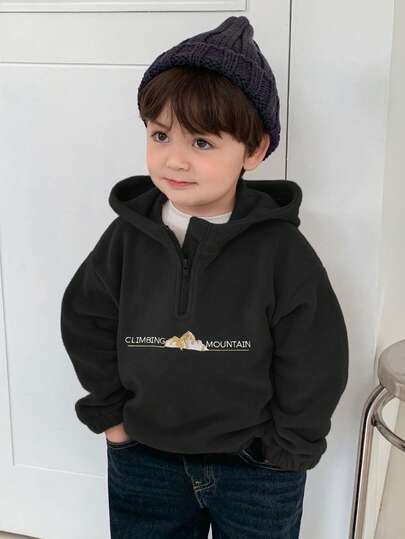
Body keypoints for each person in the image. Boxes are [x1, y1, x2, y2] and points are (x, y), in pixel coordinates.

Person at [60, 15, 349, 539]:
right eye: (160, 135)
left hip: (256, 469)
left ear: (254, 151)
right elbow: (87, 321)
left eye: (202, 143)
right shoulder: (126, 238)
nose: (175, 160)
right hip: (144, 460)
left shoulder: (282, 251)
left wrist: (289, 450)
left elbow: (315, 356)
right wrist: (112, 420)